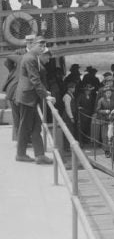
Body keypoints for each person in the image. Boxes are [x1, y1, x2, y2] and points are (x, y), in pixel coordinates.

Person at [15, 36, 54, 164]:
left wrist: (44, 91)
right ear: (33, 45)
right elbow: (35, 79)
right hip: (27, 97)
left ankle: (40, 155)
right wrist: (45, 95)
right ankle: (21, 154)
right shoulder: (30, 58)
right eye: (40, 46)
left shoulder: (33, 57)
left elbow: (36, 80)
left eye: (44, 46)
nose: (42, 48)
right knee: (25, 126)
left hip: (30, 97)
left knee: (36, 126)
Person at [1, 35, 35, 141]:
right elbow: (7, 61)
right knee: (19, 116)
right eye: (28, 42)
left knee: (23, 116)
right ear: (26, 42)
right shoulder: (19, 52)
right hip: (17, 89)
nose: (30, 43)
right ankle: (21, 140)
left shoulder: (34, 54)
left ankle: (23, 138)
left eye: (31, 41)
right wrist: (14, 71)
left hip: (21, 89)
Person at [96, 86, 114, 156]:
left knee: (113, 135)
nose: (108, 94)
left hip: (113, 119)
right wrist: (105, 111)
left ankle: (113, 150)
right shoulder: (101, 100)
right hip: (104, 120)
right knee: (105, 136)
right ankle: (106, 151)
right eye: (107, 93)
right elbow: (97, 110)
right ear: (104, 93)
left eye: (110, 93)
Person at [62, 81, 77, 152]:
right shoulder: (67, 96)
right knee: (68, 130)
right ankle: (66, 147)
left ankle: (69, 146)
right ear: (70, 88)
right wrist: (71, 117)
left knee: (70, 130)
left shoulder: (70, 95)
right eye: (73, 88)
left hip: (69, 115)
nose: (74, 89)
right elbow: (68, 107)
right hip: (67, 116)